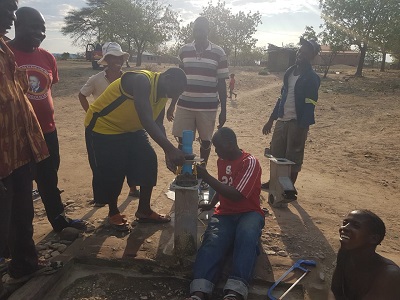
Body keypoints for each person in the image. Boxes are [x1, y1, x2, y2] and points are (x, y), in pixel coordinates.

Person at [8, 7, 86, 232]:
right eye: (34, 27)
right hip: (16, 134)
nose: (40, 33)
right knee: (16, 185)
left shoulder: (47, 57)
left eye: (43, 29)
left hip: (47, 131)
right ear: (17, 25)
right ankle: (13, 238)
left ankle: (59, 221)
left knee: (49, 177)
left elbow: (48, 89)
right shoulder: (6, 54)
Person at [84, 68, 187, 231]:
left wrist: (168, 150)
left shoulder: (162, 92)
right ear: (168, 78)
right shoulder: (142, 80)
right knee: (114, 170)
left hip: (132, 129)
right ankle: (113, 212)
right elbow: (146, 120)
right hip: (104, 127)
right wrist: (171, 149)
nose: (175, 96)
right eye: (176, 91)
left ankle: (144, 210)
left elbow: (158, 123)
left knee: (148, 160)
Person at [0, 0, 49, 296]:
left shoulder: (4, 49)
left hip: (17, 151)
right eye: (5, 8)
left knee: (21, 212)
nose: (11, 16)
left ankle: (24, 265)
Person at [186, 127, 265, 300]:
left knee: (246, 236)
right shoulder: (222, 161)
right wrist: (212, 204)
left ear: (230, 144)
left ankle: (235, 290)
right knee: (212, 240)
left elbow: (236, 194)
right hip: (226, 213)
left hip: (249, 212)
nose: (216, 151)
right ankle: (199, 290)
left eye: (218, 146)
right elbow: (223, 186)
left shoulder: (250, 162)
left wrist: (206, 177)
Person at [167, 16, 229, 190]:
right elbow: (178, 81)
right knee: (182, 140)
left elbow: (222, 84)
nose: (198, 32)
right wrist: (172, 104)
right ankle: (183, 173)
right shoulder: (184, 50)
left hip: (208, 107)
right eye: (195, 29)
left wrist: (224, 110)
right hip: (185, 104)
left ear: (207, 31)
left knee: (206, 142)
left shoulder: (218, 52)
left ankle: (201, 174)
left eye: (202, 29)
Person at [78, 41, 140, 200]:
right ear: (107, 60)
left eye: (119, 58)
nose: (117, 61)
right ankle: (100, 197)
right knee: (101, 163)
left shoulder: (129, 78)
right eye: (113, 58)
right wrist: (90, 113)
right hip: (103, 128)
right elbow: (82, 95)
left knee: (130, 158)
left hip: (125, 126)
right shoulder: (96, 79)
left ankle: (133, 188)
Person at [261, 38, 321, 190]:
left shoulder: (312, 78)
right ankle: (274, 182)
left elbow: (310, 103)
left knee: (293, 157)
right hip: (282, 120)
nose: (301, 54)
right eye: (300, 51)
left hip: (297, 122)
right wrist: (271, 120)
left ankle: (289, 188)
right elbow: (281, 97)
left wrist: (302, 126)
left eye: (306, 53)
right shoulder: (289, 73)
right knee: (275, 154)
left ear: (312, 57)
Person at [330, 209, 400, 300]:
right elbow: (335, 291)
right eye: (345, 223)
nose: (345, 228)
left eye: (356, 226)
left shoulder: (389, 274)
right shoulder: (345, 253)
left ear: (373, 239)